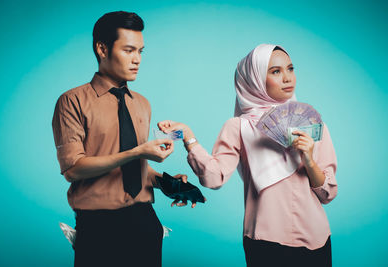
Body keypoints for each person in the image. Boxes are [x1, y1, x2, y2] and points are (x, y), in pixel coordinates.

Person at [158, 44, 338, 266]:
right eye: (275, 71)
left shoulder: (311, 124)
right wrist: (188, 137)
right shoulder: (239, 127)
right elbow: (214, 178)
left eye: (290, 69)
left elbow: (328, 194)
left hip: (316, 238)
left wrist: (309, 160)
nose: (287, 78)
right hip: (267, 241)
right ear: (254, 80)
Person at [52, 11, 194, 267]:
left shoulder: (141, 104)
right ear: (102, 49)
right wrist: (138, 152)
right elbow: (73, 169)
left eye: (140, 51)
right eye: (129, 50)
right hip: (98, 225)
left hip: (145, 220)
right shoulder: (72, 101)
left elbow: (136, 168)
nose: (137, 59)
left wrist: (167, 183)